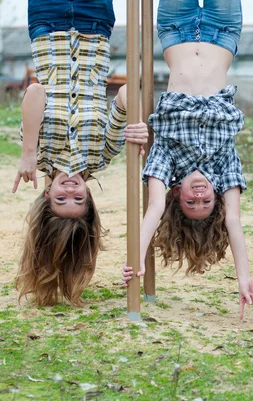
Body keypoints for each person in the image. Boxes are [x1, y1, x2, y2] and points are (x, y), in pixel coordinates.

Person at [122, 0, 253, 320]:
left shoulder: (165, 158)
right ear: (216, 197)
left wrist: (138, 258)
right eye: (206, 203)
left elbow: (154, 209)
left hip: (176, 30)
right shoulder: (225, 163)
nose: (199, 197)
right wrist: (244, 278)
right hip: (223, 33)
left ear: (177, 195)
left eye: (191, 203)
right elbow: (234, 223)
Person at [14, 0, 148, 306]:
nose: (71, 191)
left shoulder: (41, 155)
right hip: (94, 24)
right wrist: (135, 118)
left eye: (62, 199)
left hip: (47, 23)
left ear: (46, 196)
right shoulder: (101, 155)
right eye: (79, 200)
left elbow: (35, 93)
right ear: (90, 198)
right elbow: (126, 95)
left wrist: (28, 153)